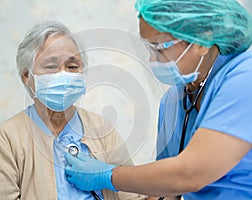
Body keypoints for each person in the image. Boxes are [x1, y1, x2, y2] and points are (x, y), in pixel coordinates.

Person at [64, 0, 252, 199]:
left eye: (159, 48)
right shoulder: (172, 101)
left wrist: (108, 175)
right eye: (148, 48)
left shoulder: (245, 78)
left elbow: (190, 174)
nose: (152, 59)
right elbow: (166, 187)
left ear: (201, 42)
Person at [0, 20, 147, 200]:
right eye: (51, 67)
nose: (64, 74)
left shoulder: (103, 129)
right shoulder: (6, 139)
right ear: (27, 76)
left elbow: (132, 196)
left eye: (72, 67)